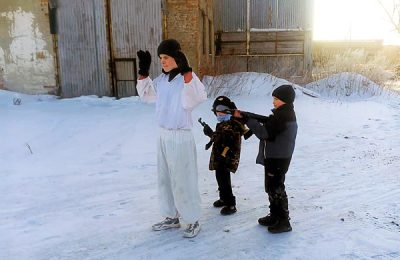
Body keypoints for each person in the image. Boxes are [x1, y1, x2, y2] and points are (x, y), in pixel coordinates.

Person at [136, 39, 207, 238]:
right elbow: (146, 95)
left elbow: (196, 97)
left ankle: (192, 219)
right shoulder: (161, 80)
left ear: (176, 57)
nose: (163, 62)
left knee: (183, 180)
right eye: (160, 58)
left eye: (166, 57)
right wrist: (143, 72)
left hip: (180, 137)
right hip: (163, 135)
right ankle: (171, 216)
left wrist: (186, 73)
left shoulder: (187, 80)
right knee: (164, 179)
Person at [233, 84, 297, 233]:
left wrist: (248, 120)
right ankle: (275, 215)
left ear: (285, 100)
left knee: (276, 188)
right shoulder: (283, 113)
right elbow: (268, 122)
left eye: (276, 99)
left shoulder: (283, 116)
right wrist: (248, 116)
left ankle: (283, 221)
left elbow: (264, 132)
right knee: (271, 187)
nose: (273, 101)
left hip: (278, 159)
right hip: (276, 157)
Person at [202, 96, 252, 215]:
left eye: (222, 109)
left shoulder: (233, 123)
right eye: (217, 110)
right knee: (219, 177)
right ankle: (223, 198)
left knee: (224, 179)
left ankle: (230, 204)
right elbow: (219, 138)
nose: (219, 112)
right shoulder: (223, 123)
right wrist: (211, 134)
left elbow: (226, 139)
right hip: (220, 156)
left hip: (227, 157)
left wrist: (210, 134)